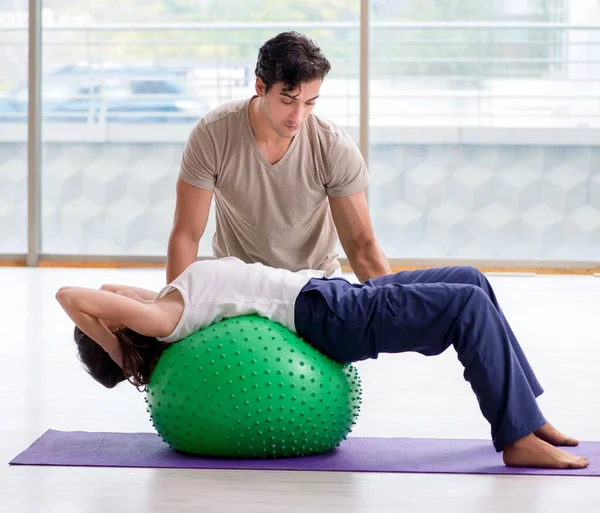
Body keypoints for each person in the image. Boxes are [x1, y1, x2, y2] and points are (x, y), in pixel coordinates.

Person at [56, 258, 588, 470]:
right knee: (465, 306)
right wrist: (112, 350)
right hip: (326, 314)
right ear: (123, 335)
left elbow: (103, 289)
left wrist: (112, 324)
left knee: (470, 280)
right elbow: (69, 292)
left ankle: (529, 416)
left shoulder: (161, 301)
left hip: (328, 292)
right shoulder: (161, 320)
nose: (117, 293)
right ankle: (515, 438)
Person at [166, 31, 391, 284]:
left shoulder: (334, 147)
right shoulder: (213, 135)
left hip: (314, 285)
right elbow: (186, 235)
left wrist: (395, 317)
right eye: (288, 100)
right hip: (238, 285)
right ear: (260, 87)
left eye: (310, 103)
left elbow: (362, 246)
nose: (298, 117)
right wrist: (175, 309)